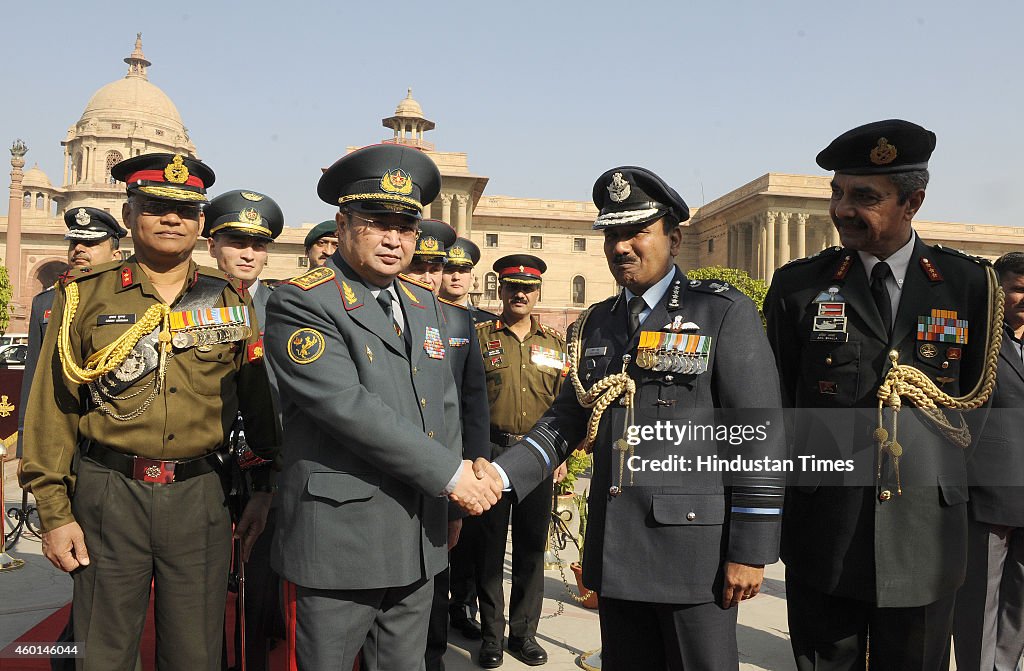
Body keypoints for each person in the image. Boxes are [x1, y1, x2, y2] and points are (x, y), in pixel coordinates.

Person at [475, 167, 786, 670]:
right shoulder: (598, 321)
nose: (622, 247)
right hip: (618, 552)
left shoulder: (721, 313)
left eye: (637, 231)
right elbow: (568, 419)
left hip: (696, 557)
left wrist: (750, 550)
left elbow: (760, 436)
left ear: (674, 238)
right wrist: (501, 475)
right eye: (612, 234)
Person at [19, 152, 281, 670]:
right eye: (156, 206)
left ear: (200, 221)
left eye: (184, 210)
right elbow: (53, 407)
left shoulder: (228, 298)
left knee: (196, 651)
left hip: (199, 495)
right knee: (102, 649)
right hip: (109, 493)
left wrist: (265, 487)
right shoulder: (83, 297)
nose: (171, 219)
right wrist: (53, 512)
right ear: (131, 211)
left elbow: (256, 404)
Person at [763, 120, 1002, 670]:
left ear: (913, 202)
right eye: (837, 193)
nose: (843, 209)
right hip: (825, 531)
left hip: (925, 538)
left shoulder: (968, 285)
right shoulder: (799, 287)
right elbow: (776, 407)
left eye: (865, 197)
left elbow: (973, 412)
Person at [263, 144, 502, 671]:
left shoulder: (425, 306)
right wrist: (450, 477)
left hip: (417, 536)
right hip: (340, 542)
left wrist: (450, 504)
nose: (395, 239)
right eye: (377, 223)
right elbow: (347, 408)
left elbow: (443, 408)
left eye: (407, 227)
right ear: (343, 224)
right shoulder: (303, 301)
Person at [203, 189, 285, 671]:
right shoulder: (190, 300)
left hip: (267, 463)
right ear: (213, 244)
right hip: (207, 460)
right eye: (236, 241)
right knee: (206, 582)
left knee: (261, 581)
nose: (248, 253)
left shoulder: (289, 307)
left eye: (258, 243)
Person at [405, 219, 492, 671]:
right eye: (417, 265)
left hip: (444, 474)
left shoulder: (459, 320)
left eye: (434, 266)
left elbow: (473, 400)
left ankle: (433, 657)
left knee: (437, 577)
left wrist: (475, 466)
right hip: (391, 473)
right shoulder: (372, 316)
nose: (426, 276)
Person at [472, 253, 566, 668]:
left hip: (539, 457)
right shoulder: (480, 338)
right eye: (512, 287)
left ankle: (522, 635)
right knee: (489, 551)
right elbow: (467, 402)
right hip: (491, 455)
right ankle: (491, 637)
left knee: (531, 550)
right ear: (501, 290)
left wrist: (561, 454)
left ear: (537, 292)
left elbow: (563, 403)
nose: (520, 294)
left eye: (528, 289)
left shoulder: (554, 343)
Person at [953, 252, 1024, 670]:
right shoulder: (972, 341)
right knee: (980, 597)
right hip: (986, 492)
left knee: (1019, 598)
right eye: (1017, 288)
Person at [17, 207, 126, 459]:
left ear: (116, 254)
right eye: (75, 242)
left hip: (114, 436)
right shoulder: (46, 303)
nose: (79, 248)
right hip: (59, 430)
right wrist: (25, 446)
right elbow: (33, 376)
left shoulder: (130, 302)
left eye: (91, 243)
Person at [443, 236, 496, 641]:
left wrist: (477, 453)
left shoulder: (479, 322)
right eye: (449, 268)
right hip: (435, 446)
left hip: (470, 448)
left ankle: (462, 605)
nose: (455, 276)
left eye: (463, 270)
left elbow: (478, 395)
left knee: (469, 541)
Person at [439, 237, 498, 325]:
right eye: (449, 271)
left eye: (462, 271)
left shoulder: (488, 322)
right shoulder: (425, 316)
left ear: (472, 277)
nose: (456, 277)